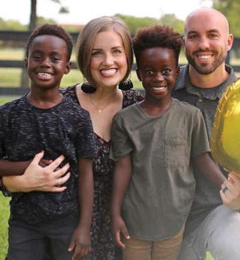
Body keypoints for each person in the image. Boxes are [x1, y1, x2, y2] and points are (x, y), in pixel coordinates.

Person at [1, 16, 143, 260]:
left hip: (124, 226)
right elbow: (28, 155)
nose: (108, 61)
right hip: (65, 228)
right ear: (84, 57)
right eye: (97, 52)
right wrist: (16, 183)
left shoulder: (140, 106)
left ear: (128, 56)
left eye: (116, 51)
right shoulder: (61, 104)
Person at [110, 25, 227, 260]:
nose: (158, 78)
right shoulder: (125, 120)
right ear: (140, 74)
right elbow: (123, 168)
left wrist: (227, 185)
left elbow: (202, 159)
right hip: (135, 221)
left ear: (177, 71)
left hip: (175, 219)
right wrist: (115, 214)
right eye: (149, 71)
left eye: (166, 71)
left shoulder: (190, 116)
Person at [0, 24, 96, 260]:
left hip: (67, 222)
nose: (45, 63)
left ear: (66, 67)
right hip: (24, 224)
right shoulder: (7, 115)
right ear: (26, 63)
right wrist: (29, 167)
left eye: (54, 58)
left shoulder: (78, 117)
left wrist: (84, 227)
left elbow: (86, 174)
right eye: (37, 56)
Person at [174, 7, 240, 260]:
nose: (203, 44)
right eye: (194, 36)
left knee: (233, 249)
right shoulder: (163, 86)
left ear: (228, 41)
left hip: (223, 208)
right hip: (170, 216)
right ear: (184, 41)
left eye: (213, 35)